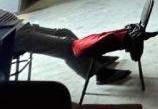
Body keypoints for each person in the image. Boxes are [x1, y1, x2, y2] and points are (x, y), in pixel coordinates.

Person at [0, 9, 130, 84]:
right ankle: (101, 74)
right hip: (12, 36)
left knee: (65, 32)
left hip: (20, 27)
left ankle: (94, 59)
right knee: (67, 47)